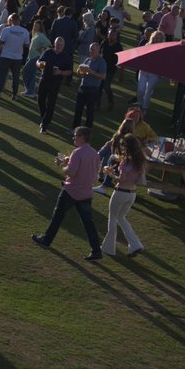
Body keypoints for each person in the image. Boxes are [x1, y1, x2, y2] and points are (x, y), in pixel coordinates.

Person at [32, 126, 104, 261]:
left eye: (76, 136)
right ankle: (96, 251)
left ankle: (46, 240)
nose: (73, 138)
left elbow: (71, 172)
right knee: (89, 223)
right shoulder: (95, 154)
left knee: (57, 216)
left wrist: (61, 164)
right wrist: (69, 161)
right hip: (86, 193)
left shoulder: (77, 153)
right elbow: (90, 172)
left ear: (82, 137)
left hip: (71, 191)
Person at [101, 134, 147, 257]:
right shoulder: (140, 161)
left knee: (112, 217)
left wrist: (110, 174)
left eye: (123, 146)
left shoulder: (126, 162)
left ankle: (108, 248)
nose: (122, 149)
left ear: (127, 147)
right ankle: (135, 245)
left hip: (120, 192)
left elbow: (121, 180)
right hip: (132, 195)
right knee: (121, 218)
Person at [36, 37, 72, 135]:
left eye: (61, 45)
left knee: (50, 104)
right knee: (40, 101)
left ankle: (44, 125)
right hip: (44, 79)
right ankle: (45, 119)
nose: (59, 46)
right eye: (57, 44)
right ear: (54, 44)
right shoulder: (48, 53)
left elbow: (69, 72)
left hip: (55, 83)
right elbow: (38, 61)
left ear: (63, 46)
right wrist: (39, 64)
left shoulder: (66, 57)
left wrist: (60, 72)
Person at [72, 42, 107, 130]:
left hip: (93, 89)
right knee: (78, 109)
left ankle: (87, 130)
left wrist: (90, 71)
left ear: (98, 50)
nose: (91, 51)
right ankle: (75, 129)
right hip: (83, 87)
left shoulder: (102, 62)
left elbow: (103, 76)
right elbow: (79, 72)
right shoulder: (88, 60)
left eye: (93, 49)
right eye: (90, 49)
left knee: (89, 111)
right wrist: (80, 71)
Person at [135, 31, 167, 113]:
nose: (157, 39)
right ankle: (140, 104)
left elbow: (163, 62)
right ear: (153, 37)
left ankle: (144, 108)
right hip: (144, 71)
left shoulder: (163, 49)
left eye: (160, 38)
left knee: (148, 92)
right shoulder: (147, 45)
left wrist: (161, 72)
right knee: (140, 90)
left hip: (154, 74)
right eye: (156, 37)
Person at [23, 20, 50, 99]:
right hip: (31, 57)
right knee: (32, 75)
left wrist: (41, 49)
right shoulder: (34, 34)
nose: (35, 27)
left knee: (25, 72)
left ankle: (30, 90)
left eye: (37, 26)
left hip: (36, 57)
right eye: (34, 25)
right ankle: (30, 91)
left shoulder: (41, 35)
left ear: (40, 27)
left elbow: (49, 45)